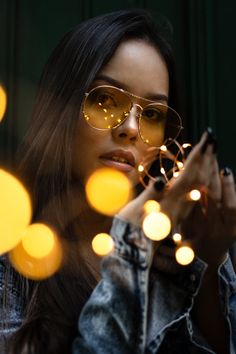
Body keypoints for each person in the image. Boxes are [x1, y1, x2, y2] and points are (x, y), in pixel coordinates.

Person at [0, 8, 235, 354]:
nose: (129, 129)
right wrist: (128, 258)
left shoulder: (182, 256)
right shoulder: (12, 268)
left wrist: (212, 265)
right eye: (105, 99)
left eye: (152, 114)